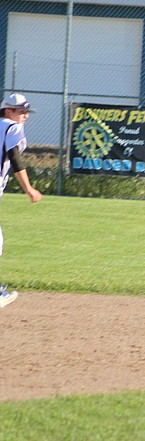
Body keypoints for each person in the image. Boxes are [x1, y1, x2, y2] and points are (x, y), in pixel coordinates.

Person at [1, 93, 43, 308]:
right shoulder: (11, 127)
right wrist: (28, 189)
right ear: (8, 111)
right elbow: (15, 156)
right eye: (21, 111)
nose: (25, 115)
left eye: (26, 111)